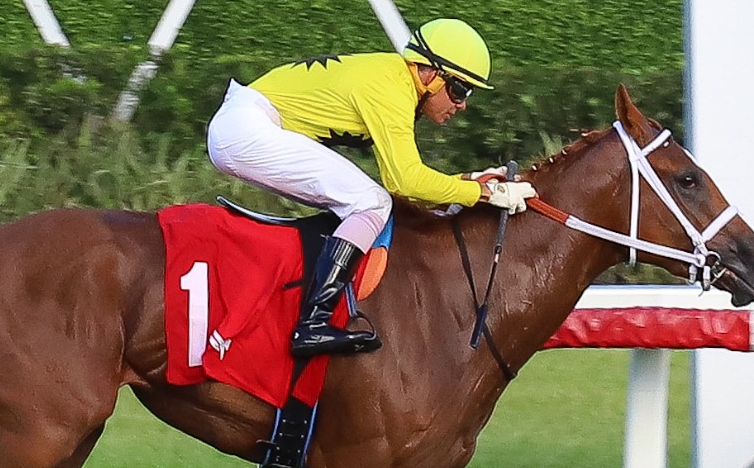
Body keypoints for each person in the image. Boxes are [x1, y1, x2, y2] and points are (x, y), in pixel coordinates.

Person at [206, 18, 536, 357]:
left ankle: (305, 308)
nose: (462, 104)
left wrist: (464, 185)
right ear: (429, 74)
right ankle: (313, 324)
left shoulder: (394, 80)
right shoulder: (391, 88)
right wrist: (485, 193)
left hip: (245, 125)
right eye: (460, 90)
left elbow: (407, 186)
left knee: (364, 202)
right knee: (370, 202)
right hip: (246, 129)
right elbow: (404, 180)